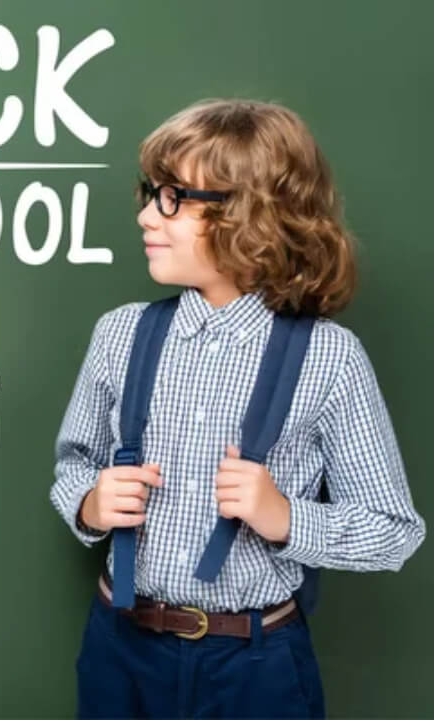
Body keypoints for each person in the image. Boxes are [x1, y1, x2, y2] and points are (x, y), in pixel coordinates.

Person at [49, 99, 425, 718]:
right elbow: (74, 464)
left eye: (173, 198)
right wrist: (91, 502)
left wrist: (284, 518)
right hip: (122, 652)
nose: (147, 214)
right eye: (150, 192)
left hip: (256, 665)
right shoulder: (121, 335)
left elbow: (393, 531)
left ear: (252, 216)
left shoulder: (329, 357)